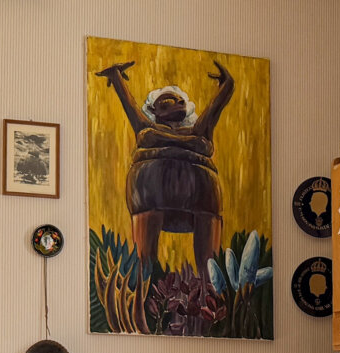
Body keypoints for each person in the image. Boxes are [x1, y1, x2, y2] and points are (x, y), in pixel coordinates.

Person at [96, 58, 236, 275]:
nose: (178, 102)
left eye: (181, 101)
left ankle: (210, 290)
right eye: (169, 100)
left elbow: (215, 108)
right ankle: (146, 287)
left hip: (202, 191)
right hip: (151, 190)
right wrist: (115, 76)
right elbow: (128, 104)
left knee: (209, 266)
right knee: (145, 264)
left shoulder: (199, 129)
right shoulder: (146, 126)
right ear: (154, 109)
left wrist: (227, 84)